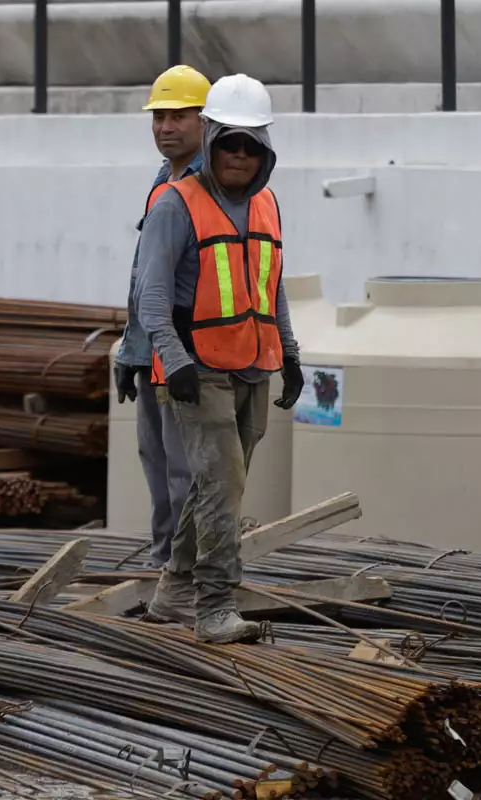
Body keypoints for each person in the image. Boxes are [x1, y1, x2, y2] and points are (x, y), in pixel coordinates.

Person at [133, 74, 305, 644]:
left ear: (265, 152)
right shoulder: (176, 203)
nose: (238, 155)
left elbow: (272, 281)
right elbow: (152, 292)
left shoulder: (268, 204)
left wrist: (291, 352)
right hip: (197, 367)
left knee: (217, 486)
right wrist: (171, 358)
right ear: (209, 139)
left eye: (250, 146)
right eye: (229, 142)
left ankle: (173, 591)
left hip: (254, 364)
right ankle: (214, 605)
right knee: (222, 484)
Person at [114, 64, 210, 569]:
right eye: (159, 117)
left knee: (184, 471)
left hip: (186, 353)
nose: (165, 127)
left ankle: (183, 572)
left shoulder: (208, 185)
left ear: (204, 122)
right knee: (156, 463)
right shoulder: (163, 179)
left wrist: (176, 357)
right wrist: (132, 350)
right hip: (152, 348)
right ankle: (161, 562)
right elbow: (144, 274)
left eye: (178, 116)